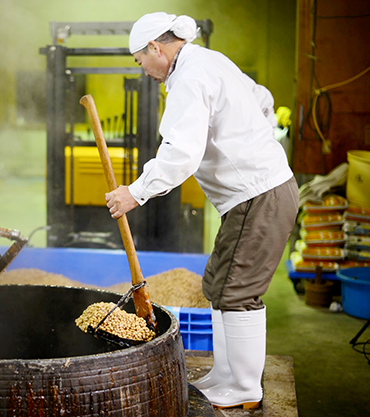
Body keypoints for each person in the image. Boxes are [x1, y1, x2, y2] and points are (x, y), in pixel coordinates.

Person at [105, 12, 299, 409]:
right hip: (254, 193)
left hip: (257, 195)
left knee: (236, 292)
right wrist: (251, 140)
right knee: (218, 285)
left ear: (156, 48)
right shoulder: (209, 60)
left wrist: (134, 193)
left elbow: (181, 155)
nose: (143, 72)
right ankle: (226, 375)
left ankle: (244, 388)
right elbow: (262, 98)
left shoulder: (189, 79)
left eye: (141, 62)